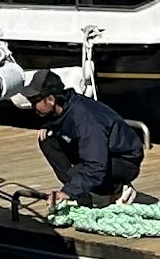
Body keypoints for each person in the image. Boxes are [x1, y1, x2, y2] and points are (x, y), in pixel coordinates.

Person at [21, 66, 149, 207]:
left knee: (81, 171)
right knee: (48, 140)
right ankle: (81, 193)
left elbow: (95, 165)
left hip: (123, 160)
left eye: (34, 102)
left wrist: (68, 192)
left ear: (50, 100)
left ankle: (119, 188)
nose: (32, 106)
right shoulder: (65, 108)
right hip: (101, 152)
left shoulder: (86, 120)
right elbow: (64, 121)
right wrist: (50, 126)